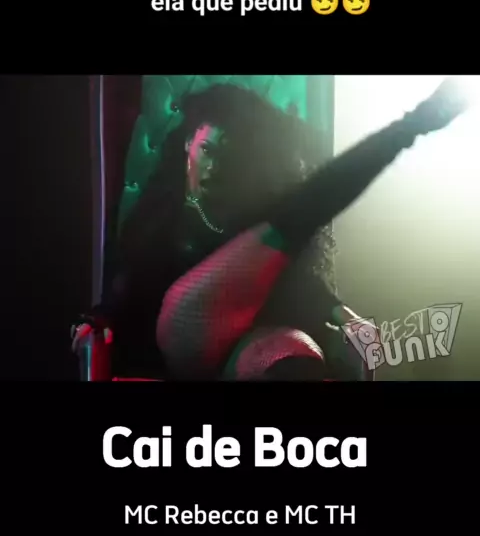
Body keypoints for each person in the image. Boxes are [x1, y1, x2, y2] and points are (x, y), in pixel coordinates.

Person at [75, 78, 468, 381]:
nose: (215, 167)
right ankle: (413, 126)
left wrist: (347, 317)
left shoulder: (258, 212)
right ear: (187, 147)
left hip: (248, 344)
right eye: (208, 150)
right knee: (295, 217)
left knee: (294, 356)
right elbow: (127, 284)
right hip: (177, 346)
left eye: (228, 156)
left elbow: (302, 280)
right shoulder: (161, 213)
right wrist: (97, 318)